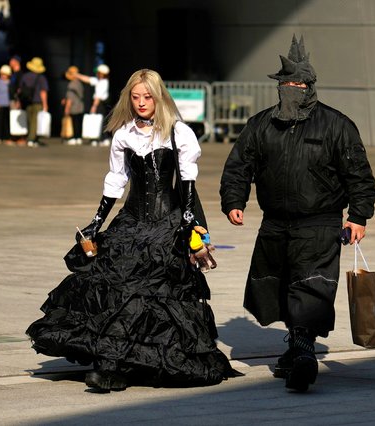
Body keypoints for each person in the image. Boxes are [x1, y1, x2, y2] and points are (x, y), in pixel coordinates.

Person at [26, 68, 239, 392]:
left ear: (158, 97)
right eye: (136, 97)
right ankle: (111, 365)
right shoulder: (124, 134)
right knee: (113, 285)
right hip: (131, 220)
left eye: (147, 96)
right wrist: (97, 221)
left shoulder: (177, 133)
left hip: (166, 223)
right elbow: (116, 181)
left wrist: (189, 223)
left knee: (153, 293)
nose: (141, 102)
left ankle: (122, 364)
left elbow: (187, 184)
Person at [219, 35, 375, 392]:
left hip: (319, 222)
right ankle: (296, 346)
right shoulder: (261, 125)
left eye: (298, 84)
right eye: (286, 84)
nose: (291, 89)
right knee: (279, 287)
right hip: (275, 222)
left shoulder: (337, 125)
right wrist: (234, 201)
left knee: (310, 287)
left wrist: (359, 216)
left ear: (309, 87)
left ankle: (304, 353)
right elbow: (239, 166)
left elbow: (359, 175)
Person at [75, 63, 111, 146]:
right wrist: (77, 75)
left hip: (100, 103)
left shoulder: (103, 82)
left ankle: (102, 139)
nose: (97, 73)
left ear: (102, 73)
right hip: (99, 103)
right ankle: (98, 138)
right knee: (99, 120)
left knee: (100, 121)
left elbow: (98, 96)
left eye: (98, 72)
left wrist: (94, 106)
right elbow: (88, 79)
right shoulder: (99, 80)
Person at [19, 57, 49, 147]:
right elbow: (43, 92)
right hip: (37, 101)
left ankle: (30, 137)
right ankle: (31, 139)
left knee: (29, 120)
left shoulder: (25, 76)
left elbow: (20, 89)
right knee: (35, 121)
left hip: (27, 101)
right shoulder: (41, 78)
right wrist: (45, 104)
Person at [62, 65, 84, 145]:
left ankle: (74, 137)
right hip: (80, 105)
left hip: (73, 106)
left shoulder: (71, 84)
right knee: (79, 122)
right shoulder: (79, 83)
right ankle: (78, 137)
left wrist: (67, 108)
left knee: (74, 122)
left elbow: (70, 98)